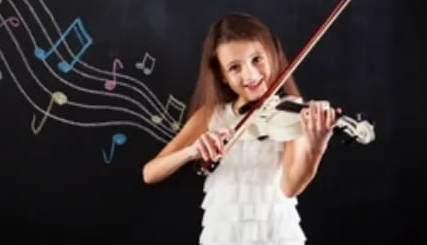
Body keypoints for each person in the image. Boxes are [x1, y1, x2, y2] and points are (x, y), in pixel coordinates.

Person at [143, 12, 337, 244]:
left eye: (257, 59)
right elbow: (150, 173)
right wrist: (192, 151)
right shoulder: (210, 114)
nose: (251, 74)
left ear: (272, 56)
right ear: (223, 76)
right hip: (224, 234)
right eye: (235, 67)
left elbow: (290, 187)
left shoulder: (290, 111)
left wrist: (316, 147)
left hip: (275, 232)